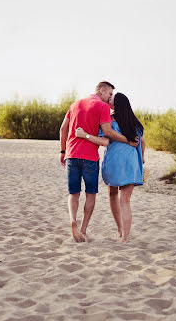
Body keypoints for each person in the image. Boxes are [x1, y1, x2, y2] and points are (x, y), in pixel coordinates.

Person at [59, 82, 138, 242]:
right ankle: (83, 229)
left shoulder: (74, 104)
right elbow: (107, 134)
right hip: (90, 157)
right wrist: (128, 141)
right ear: (102, 90)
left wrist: (62, 151)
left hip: (71, 154)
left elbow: (63, 129)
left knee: (73, 193)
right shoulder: (102, 108)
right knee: (90, 194)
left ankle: (73, 220)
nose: (110, 99)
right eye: (109, 94)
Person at [75, 92, 145, 243]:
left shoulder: (110, 120)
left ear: (116, 104)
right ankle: (125, 237)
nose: (109, 99)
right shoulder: (135, 122)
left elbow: (104, 139)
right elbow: (142, 142)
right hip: (130, 162)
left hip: (114, 161)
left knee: (113, 195)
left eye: (112, 98)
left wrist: (85, 136)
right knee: (125, 200)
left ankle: (120, 228)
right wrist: (142, 158)